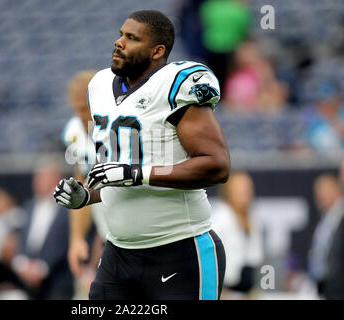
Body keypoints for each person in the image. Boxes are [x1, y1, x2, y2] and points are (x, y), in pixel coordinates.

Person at [54, 10, 230, 300]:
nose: (118, 42)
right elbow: (110, 170)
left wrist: (139, 173)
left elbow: (217, 166)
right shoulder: (98, 86)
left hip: (180, 251)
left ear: (157, 51)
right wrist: (86, 194)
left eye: (131, 38)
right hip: (118, 255)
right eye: (121, 34)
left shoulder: (176, 85)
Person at [63, 70, 108, 299]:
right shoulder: (75, 131)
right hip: (111, 236)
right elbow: (81, 188)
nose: (81, 115)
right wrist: (77, 238)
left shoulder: (119, 131)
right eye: (77, 108)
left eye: (86, 108)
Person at [13, 162, 73, 299]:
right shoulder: (30, 206)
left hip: (58, 280)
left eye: (42, 178)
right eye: (37, 178)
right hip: (28, 280)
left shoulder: (69, 208)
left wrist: (43, 268)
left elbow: (65, 242)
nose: (37, 182)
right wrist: (22, 264)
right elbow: (23, 237)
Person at [211, 171, 263, 299]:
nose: (246, 192)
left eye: (248, 188)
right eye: (240, 188)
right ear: (228, 191)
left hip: (245, 292)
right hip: (224, 291)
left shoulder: (252, 218)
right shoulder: (220, 217)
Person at [308, 173, 343, 299]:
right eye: (317, 191)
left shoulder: (340, 216)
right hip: (325, 287)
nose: (320, 196)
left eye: (324, 190)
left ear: (336, 190)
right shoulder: (325, 219)